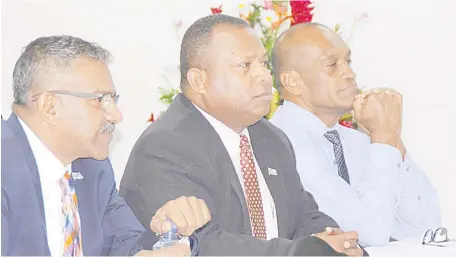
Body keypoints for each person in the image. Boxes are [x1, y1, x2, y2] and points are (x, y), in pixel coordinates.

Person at [119, 14, 363, 256]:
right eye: (245, 65)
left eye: (264, 64)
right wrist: (299, 252)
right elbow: (199, 245)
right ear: (199, 80)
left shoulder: (270, 138)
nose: (264, 77)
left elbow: (302, 216)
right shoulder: (165, 146)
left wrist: (338, 243)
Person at [1, 35, 211, 256]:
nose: (116, 116)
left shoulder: (92, 168)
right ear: (50, 106)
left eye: (113, 100)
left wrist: (170, 234)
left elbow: (125, 246)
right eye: (100, 100)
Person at [269, 23, 441, 247]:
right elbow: (365, 234)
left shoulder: (357, 140)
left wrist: (391, 139)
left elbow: (424, 226)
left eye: (347, 62)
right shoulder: (281, 142)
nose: (350, 74)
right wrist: (383, 138)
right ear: (293, 81)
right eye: (332, 65)